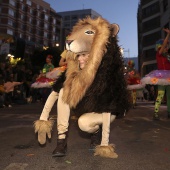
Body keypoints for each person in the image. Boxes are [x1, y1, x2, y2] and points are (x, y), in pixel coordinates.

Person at [141, 28, 170, 120]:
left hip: (169, 77)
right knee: (160, 95)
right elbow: (164, 44)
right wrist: (168, 35)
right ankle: (156, 113)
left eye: (166, 46)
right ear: (160, 46)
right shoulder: (159, 53)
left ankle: (169, 113)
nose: (166, 47)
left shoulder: (168, 56)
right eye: (164, 46)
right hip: (162, 77)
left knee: (169, 96)